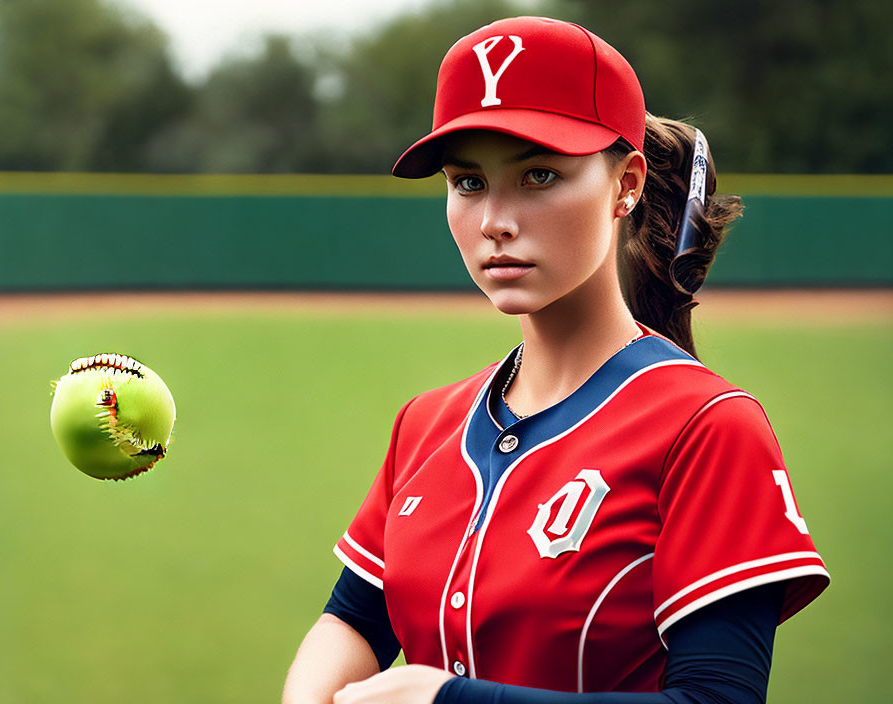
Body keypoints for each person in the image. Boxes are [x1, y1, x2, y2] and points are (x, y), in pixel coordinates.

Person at [282, 16, 829, 704]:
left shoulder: (709, 428)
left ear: (626, 184)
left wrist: (450, 702)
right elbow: (354, 622)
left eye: (539, 175)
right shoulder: (425, 426)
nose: (495, 221)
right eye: (468, 182)